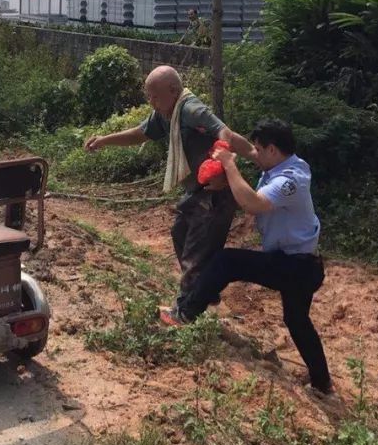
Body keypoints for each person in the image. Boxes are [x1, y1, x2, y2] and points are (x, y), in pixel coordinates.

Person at [161, 119, 333, 396]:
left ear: (273, 150)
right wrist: (224, 137)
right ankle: (322, 383)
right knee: (297, 320)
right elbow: (247, 151)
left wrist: (229, 165)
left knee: (227, 261)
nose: (256, 154)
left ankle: (186, 313)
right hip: (300, 264)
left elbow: (253, 204)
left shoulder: (291, 179)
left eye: (259, 149)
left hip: (296, 266)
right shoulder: (279, 163)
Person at [84, 66, 256, 317]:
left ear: (173, 91)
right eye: (148, 96)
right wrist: (104, 140)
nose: (150, 101)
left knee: (194, 254)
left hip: (215, 193)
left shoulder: (190, 109)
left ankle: (185, 312)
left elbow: (224, 132)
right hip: (197, 191)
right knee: (180, 232)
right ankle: (206, 288)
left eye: (154, 96)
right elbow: (139, 134)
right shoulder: (166, 114)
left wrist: (223, 169)